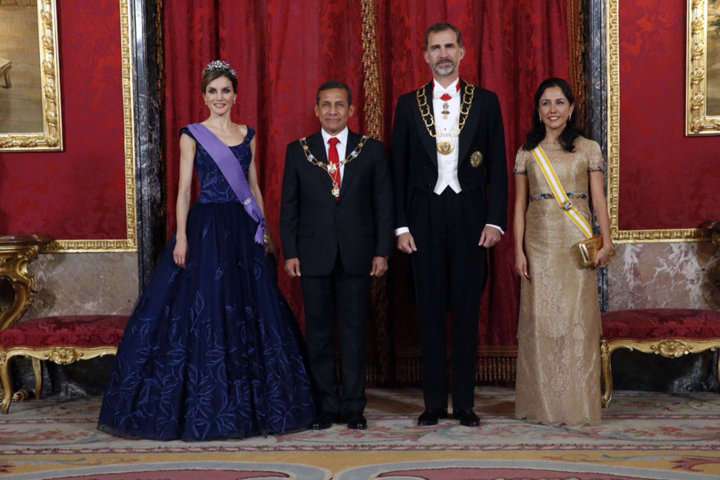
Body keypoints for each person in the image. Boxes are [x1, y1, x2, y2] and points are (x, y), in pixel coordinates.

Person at [98, 60, 314, 441]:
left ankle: (254, 405)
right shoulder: (192, 136)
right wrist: (181, 237)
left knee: (250, 309)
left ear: (235, 95)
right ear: (204, 96)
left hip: (243, 228)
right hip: (206, 229)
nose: (219, 98)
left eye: (225, 91)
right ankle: (201, 404)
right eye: (212, 91)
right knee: (205, 308)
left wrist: (263, 227)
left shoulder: (248, 134)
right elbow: (183, 191)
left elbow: (254, 185)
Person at [391, 23, 508, 427]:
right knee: (429, 313)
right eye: (435, 48)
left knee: (465, 312)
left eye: (449, 46)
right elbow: (398, 171)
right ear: (425, 55)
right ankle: (434, 403)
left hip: (471, 219)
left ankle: (465, 403)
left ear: (462, 51)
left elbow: (497, 167)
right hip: (423, 219)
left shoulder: (486, 102)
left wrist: (496, 220)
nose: (443, 54)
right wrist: (400, 227)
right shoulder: (409, 105)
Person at [280, 81, 392, 431]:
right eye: (326, 105)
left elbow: (383, 206)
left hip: (358, 255)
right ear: (316, 110)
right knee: (319, 335)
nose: (332, 111)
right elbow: (289, 208)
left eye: (339, 105)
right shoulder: (298, 151)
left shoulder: (370, 150)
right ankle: (326, 405)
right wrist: (291, 252)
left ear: (351, 110)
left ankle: (355, 406)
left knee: (355, 332)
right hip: (313, 257)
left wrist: (381, 252)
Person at [512, 77, 614, 425]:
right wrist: (518, 251)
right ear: (538, 110)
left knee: (576, 320)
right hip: (539, 240)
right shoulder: (527, 151)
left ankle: (576, 404)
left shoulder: (588, 148)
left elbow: (598, 198)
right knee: (541, 321)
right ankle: (544, 404)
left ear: (571, 109)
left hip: (575, 238)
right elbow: (519, 205)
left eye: (559, 103)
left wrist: (607, 240)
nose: (552, 110)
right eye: (545, 103)